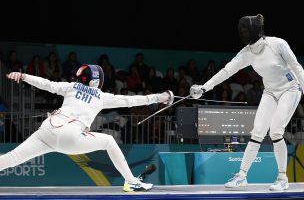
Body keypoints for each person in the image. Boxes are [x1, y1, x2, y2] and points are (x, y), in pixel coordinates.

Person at [3, 64, 174, 192]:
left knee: (11, 158)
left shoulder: (70, 86)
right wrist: (161, 97)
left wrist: (23, 75)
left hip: (47, 130)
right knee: (108, 141)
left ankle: (131, 182)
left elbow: (46, 84)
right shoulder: (101, 96)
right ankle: (131, 182)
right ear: (96, 81)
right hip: (70, 137)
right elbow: (133, 100)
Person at [190, 14, 304, 191]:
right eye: (241, 29)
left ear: (255, 30)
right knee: (257, 132)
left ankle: (282, 178)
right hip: (270, 92)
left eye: (246, 29)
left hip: (290, 88)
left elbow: (297, 67)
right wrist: (204, 87)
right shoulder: (247, 53)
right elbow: (227, 71)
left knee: (275, 131)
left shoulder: (277, 44)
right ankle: (242, 176)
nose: (243, 32)